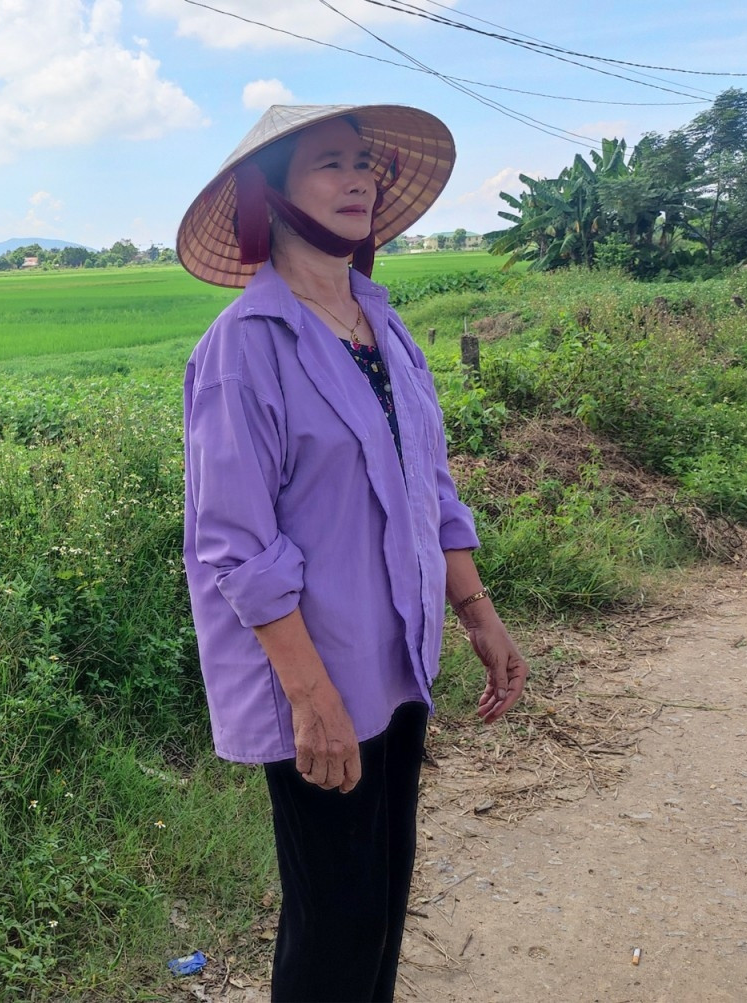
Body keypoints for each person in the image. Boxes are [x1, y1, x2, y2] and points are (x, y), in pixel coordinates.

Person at [176, 104, 530, 1001]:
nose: (360, 180)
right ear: (270, 196)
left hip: (399, 662)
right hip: (320, 678)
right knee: (333, 923)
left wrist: (478, 613)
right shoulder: (245, 347)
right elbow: (236, 545)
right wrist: (312, 697)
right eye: (330, 163)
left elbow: (430, 485)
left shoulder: (383, 327)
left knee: (380, 901)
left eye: (364, 163)